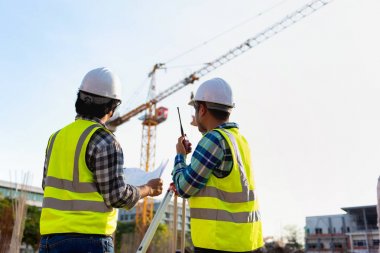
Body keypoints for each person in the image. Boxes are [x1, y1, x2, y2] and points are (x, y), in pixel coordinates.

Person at [39, 67, 163, 253]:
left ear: (79, 99)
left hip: (50, 240)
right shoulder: (105, 140)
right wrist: (148, 189)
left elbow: (46, 185)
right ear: (112, 108)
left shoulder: (56, 137)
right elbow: (117, 196)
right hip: (89, 242)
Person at [172, 78, 264, 253]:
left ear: (203, 109)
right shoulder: (239, 139)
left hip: (219, 243)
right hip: (247, 243)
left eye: (195, 109)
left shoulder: (213, 139)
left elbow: (184, 187)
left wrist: (180, 157)